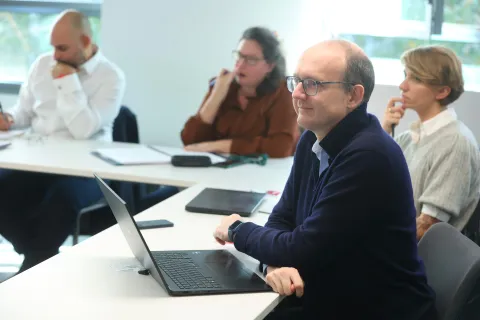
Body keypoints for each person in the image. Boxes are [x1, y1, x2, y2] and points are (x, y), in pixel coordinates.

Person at [213, 40, 437, 319]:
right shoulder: (313, 137)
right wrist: (275, 265)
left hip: (375, 310)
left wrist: (237, 230)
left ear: (353, 96)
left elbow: (300, 248)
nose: (297, 93)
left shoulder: (368, 156)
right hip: (331, 293)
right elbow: (284, 218)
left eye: (312, 84)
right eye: (296, 81)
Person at [0, 10, 125, 273]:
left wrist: (67, 80)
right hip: (39, 162)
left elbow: (83, 130)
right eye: (53, 47)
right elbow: (25, 111)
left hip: (88, 170)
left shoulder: (111, 77)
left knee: (61, 200)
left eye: (63, 48)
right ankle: (40, 256)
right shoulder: (41, 64)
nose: (55, 55)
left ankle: (32, 267)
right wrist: (10, 118)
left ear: (86, 42)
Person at [382, 45, 480, 241]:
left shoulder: (455, 142)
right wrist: (384, 131)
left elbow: (426, 228)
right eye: (405, 75)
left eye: (415, 79)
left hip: (415, 260)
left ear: (442, 91)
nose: (403, 85)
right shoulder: (410, 137)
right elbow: (370, 182)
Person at [181, 26, 299, 158]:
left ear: (270, 66)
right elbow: (190, 142)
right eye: (239, 56)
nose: (240, 65)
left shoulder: (283, 92)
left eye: (251, 60)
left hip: (264, 174)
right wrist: (216, 96)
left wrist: (216, 146)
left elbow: (280, 147)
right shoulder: (222, 84)